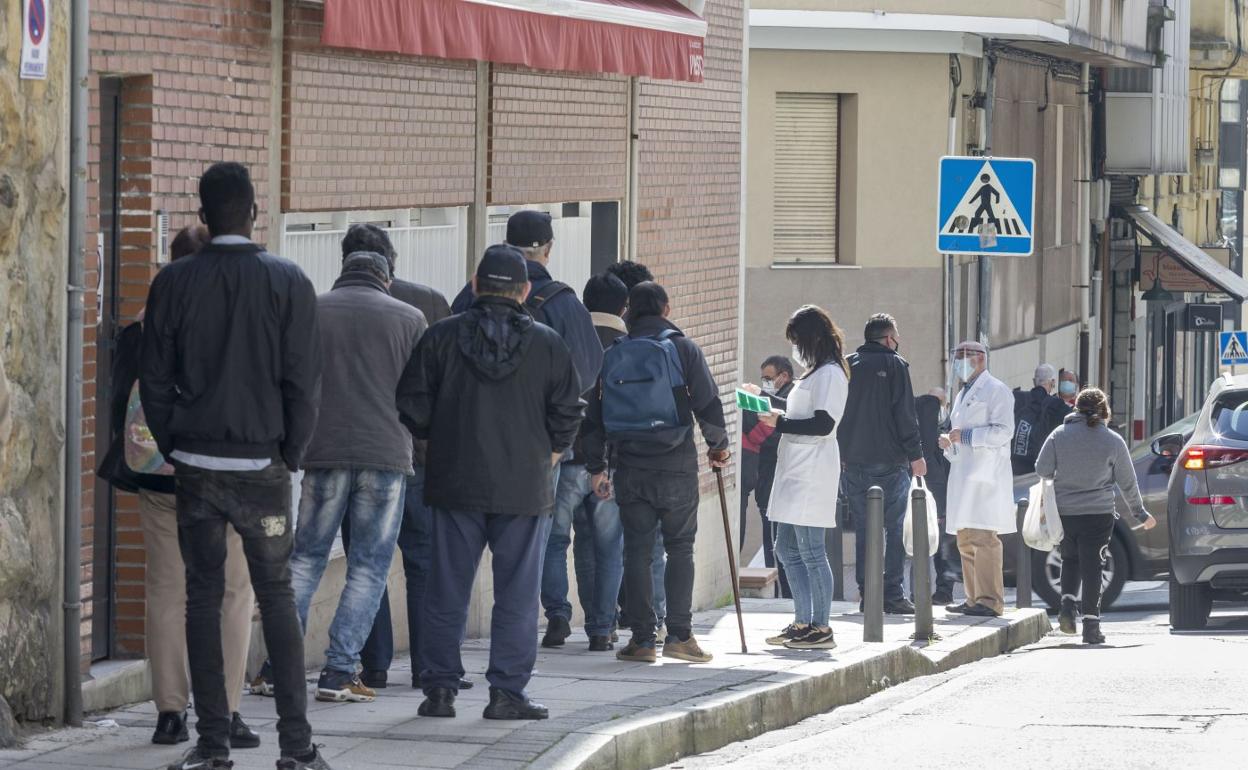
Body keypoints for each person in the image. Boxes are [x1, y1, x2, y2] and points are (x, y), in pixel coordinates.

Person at [141, 162, 329, 770]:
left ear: (202, 214)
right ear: (253, 212)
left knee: (201, 595)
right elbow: (304, 381)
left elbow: (155, 378)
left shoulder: (173, 283)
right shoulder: (288, 280)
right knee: (275, 597)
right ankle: (297, 748)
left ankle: (213, 744)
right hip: (263, 464)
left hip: (196, 463)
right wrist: (290, 453)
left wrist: (174, 444)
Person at [399, 244, 584, 721]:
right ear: (525, 291)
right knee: (518, 595)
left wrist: (440, 435)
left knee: (446, 590)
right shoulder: (547, 343)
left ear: (476, 285)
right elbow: (569, 409)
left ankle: (439, 690)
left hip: (454, 480)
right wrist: (552, 453)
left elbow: (412, 404)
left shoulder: (441, 336)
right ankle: (507, 693)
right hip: (524, 485)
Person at [97, 225, 259, 750]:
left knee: (167, 590)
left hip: (160, 474)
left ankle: (170, 712)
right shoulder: (235, 322)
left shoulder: (142, 326)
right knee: (232, 592)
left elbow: (119, 398)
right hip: (227, 473)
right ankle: (228, 711)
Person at [286, 249, 426, 704]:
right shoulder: (409, 318)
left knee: (304, 559)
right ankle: (339, 671)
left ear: (342, 271)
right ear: (387, 276)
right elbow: (422, 393)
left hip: (321, 452)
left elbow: (292, 379)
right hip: (385, 455)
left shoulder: (312, 310)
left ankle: (277, 667)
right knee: (368, 567)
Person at [338, 224, 459, 691]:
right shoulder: (428, 302)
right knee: (423, 560)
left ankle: (375, 664)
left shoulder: (328, 305)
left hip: (354, 453)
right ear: (392, 258)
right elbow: (448, 383)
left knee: (366, 564)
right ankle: (429, 664)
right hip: (419, 454)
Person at [585, 281, 731, 665]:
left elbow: (594, 416)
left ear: (630, 310)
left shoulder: (613, 352)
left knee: (637, 551)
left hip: (629, 465)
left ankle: (643, 640)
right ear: (666, 309)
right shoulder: (683, 349)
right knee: (680, 548)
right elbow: (708, 403)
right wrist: (718, 446)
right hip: (676, 465)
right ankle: (680, 636)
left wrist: (596, 466)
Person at [545, 273, 631, 652]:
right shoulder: (629, 347)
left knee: (558, 541)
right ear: (624, 307)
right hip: (609, 464)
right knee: (608, 546)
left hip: (565, 457)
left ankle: (558, 615)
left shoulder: (567, 337)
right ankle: (600, 627)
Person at [758, 307, 849, 650]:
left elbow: (824, 423)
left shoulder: (830, 375)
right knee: (786, 547)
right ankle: (801, 621)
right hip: (796, 466)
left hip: (813, 469)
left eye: (796, 341)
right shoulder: (813, 373)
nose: (794, 348)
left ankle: (821, 627)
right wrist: (773, 409)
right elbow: (802, 414)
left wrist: (778, 424)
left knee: (811, 550)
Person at [1035, 388, 1156, 644]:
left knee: (1069, 559)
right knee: (1093, 567)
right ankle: (1091, 627)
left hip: (1065, 512)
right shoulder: (1112, 440)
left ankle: (1067, 606)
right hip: (1098, 514)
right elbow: (1128, 482)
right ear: (1104, 411)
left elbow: (1042, 468)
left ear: (1075, 408)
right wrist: (1140, 513)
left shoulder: (1058, 435)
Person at [837, 313, 926, 615]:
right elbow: (905, 413)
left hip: (853, 462)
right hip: (890, 462)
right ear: (889, 339)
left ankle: (867, 592)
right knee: (894, 528)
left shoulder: (847, 365)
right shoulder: (895, 364)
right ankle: (892, 592)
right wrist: (916, 455)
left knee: (864, 529)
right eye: (896, 335)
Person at [940, 341, 1015, 618]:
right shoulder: (962, 394)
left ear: (980, 359)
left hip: (986, 477)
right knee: (966, 539)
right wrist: (949, 444)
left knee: (984, 539)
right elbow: (960, 436)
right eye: (956, 356)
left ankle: (990, 600)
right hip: (965, 473)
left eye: (964, 357)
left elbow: (1004, 431)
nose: (959, 362)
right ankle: (973, 598)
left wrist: (968, 436)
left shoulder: (997, 390)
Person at [741, 356, 795, 599]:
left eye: (769, 378)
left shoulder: (791, 398)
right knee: (773, 546)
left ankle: (787, 596)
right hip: (767, 484)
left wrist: (761, 402)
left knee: (780, 546)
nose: (766, 382)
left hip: (778, 483)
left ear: (784, 376)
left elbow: (776, 433)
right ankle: (783, 596)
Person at [915, 386, 957, 606]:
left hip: (945, 493)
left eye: (940, 403)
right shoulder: (924, 427)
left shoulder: (950, 428)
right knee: (928, 541)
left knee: (940, 545)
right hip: (933, 491)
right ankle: (927, 590)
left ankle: (941, 590)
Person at [1011, 363, 1071, 475]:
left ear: (1034, 381)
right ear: (1053, 382)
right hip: (1036, 469)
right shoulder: (1057, 406)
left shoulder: (1016, 398)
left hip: (1011, 466)